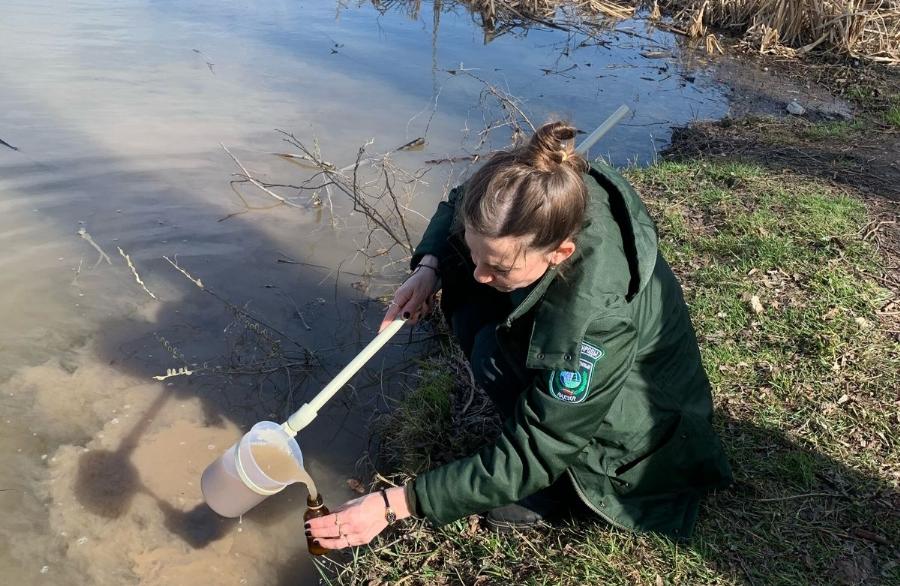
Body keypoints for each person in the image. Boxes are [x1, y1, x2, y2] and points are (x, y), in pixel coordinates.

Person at [306, 121, 732, 550]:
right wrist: (430, 267)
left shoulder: (594, 322)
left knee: (540, 438)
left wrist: (394, 504)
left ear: (561, 252)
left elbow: (540, 447)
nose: (480, 272)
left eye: (500, 267)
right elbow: (461, 205)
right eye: (477, 254)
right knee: (476, 304)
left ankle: (564, 489)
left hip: (640, 449)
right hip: (586, 357)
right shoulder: (541, 190)